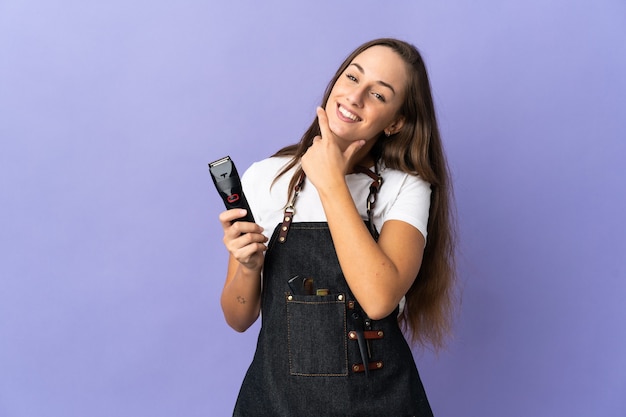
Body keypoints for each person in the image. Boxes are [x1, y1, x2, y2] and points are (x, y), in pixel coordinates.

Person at [218, 38, 456, 417]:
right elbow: (238, 317)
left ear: (396, 122)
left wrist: (331, 182)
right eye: (351, 77)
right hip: (274, 404)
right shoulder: (265, 178)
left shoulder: (406, 186)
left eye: (378, 94)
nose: (355, 97)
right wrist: (248, 267)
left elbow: (379, 300)